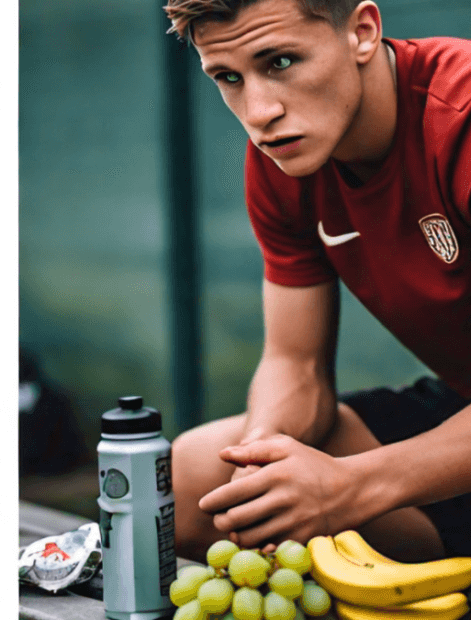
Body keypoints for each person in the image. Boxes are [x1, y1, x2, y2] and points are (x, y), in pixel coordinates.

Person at [163, 0, 471, 563]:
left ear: (362, 32)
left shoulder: (462, 117)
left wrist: (352, 485)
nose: (259, 111)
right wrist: (258, 468)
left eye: (280, 61)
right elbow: (295, 363)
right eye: (228, 78)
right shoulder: (285, 159)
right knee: (197, 478)